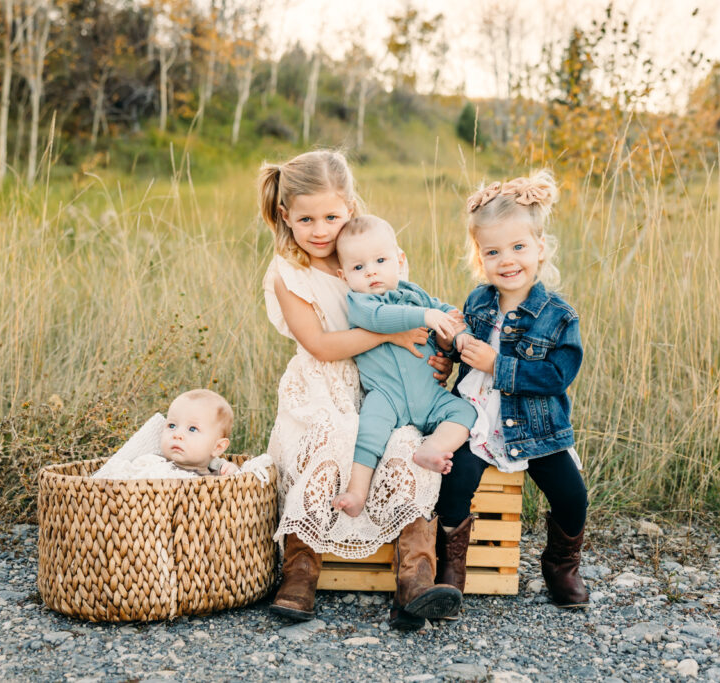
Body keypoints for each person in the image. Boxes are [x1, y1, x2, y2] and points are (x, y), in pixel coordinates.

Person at [259, 150, 460, 629]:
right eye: (306, 218)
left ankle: (415, 580)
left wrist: (435, 356)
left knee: (406, 446)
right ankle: (300, 574)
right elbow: (322, 345)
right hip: (323, 387)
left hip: (384, 385)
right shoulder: (290, 274)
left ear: (349, 206)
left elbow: (416, 318)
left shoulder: (371, 256)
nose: (320, 228)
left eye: (331, 215)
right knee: (328, 439)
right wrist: (391, 333)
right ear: (286, 216)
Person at [435, 170, 591, 612]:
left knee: (571, 493)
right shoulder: (477, 302)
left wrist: (498, 366)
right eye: (493, 251)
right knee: (455, 480)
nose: (507, 260)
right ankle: (451, 570)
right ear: (479, 256)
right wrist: (449, 352)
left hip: (536, 427)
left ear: (540, 248)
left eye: (519, 247)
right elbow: (461, 356)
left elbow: (557, 376)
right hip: (477, 420)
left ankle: (561, 566)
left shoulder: (559, 316)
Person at [330, 215, 476, 520]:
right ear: (344, 276)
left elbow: (446, 313)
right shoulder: (361, 302)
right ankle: (357, 493)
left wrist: (458, 334)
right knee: (369, 431)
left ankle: (433, 448)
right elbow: (381, 318)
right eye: (358, 267)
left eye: (380, 260)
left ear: (400, 260)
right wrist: (425, 316)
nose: (371, 271)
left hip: (430, 394)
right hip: (387, 396)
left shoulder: (416, 294)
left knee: (466, 413)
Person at [91, 390, 239, 480]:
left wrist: (230, 469)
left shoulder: (217, 473)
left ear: (218, 447)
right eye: (172, 426)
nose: (177, 435)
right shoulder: (153, 465)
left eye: (192, 429)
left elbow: (237, 478)